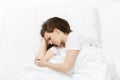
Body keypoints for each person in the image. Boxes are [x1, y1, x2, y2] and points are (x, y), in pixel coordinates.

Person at [34, 17, 119, 80]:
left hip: (94, 67)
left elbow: (67, 67)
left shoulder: (73, 37)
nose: (50, 42)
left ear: (56, 31)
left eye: (49, 38)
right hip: (80, 72)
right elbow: (39, 61)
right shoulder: (57, 48)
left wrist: (45, 64)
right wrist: (44, 42)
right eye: (48, 41)